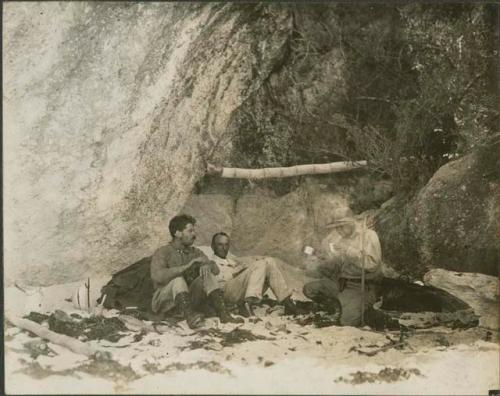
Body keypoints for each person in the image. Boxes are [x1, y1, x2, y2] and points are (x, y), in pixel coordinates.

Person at [150, 215, 243, 328]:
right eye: (190, 231)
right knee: (178, 280)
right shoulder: (162, 252)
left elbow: (216, 270)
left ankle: (223, 314)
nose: (194, 235)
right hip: (165, 302)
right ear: (177, 233)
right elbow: (157, 277)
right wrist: (186, 267)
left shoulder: (195, 252)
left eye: (193, 231)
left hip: (188, 300)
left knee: (207, 274)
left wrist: (207, 265)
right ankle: (189, 317)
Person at [198, 232, 308, 317]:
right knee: (259, 265)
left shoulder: (231, 261)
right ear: (212, 247)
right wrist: (237, 271)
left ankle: (287, 302)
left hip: (239, 292)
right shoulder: (209, 261)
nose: (224, 248)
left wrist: (246, 265)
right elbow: (215, 282)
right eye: (220, 245)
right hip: (225, 293)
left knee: (269, 261)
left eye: (226, 245)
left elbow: (246, 262)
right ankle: (248, 304)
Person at [302, 217, 382, 327]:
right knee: (310, 289)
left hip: (361, 287)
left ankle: (366, 309)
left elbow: (372, 264)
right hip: (341, 284)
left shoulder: (368, 235)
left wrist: (348, 250)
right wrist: (321, 259)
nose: (338, 231)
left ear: (351, 224)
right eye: (336, 228)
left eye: (341, 227)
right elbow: (336, 268)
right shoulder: (343, 240)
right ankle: (338, 306)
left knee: (346, 322)